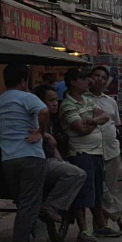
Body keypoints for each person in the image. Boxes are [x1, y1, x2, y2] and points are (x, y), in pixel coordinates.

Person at [0, 64, 49, 242]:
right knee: (28, 203)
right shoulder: (27, 97)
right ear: (23, 81)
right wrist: (41, 132)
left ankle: (34, 231)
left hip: (8, 157)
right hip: (30, 155)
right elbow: (44, 111)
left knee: (22, 201)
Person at [59, 68, 122, 242]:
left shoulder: (87, 100)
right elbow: (80, 128)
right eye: (83, 79)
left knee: (96, 191)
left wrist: (93, 121)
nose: (87, 82)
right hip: (81, 153)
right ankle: (84, 230)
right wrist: (95, 122)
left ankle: (101, 225)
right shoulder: (68, 105)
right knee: (83, 192)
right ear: (73, 82)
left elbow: (105, 117)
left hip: (98, 152)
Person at [33, 85, 86, 225]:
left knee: (75, 172)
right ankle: (52, 205)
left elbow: (54, 146)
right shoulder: (37, 118)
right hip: (39, 162)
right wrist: (46, 135)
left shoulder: (52, 120)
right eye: (51, 100)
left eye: (56, 99)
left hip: (51, 160)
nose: (55, 103)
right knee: (78, 174)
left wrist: (62, 162)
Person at [87, 66, 122, 231]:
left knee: (108, 189)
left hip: (111, 151)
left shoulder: (110, 102)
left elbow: (116, 124)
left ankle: (102, 224)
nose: (99, 79)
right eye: (96, 76)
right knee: (97, 189)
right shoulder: (82, 99)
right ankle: (117, 211)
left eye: (103, 77)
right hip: (91, 151)